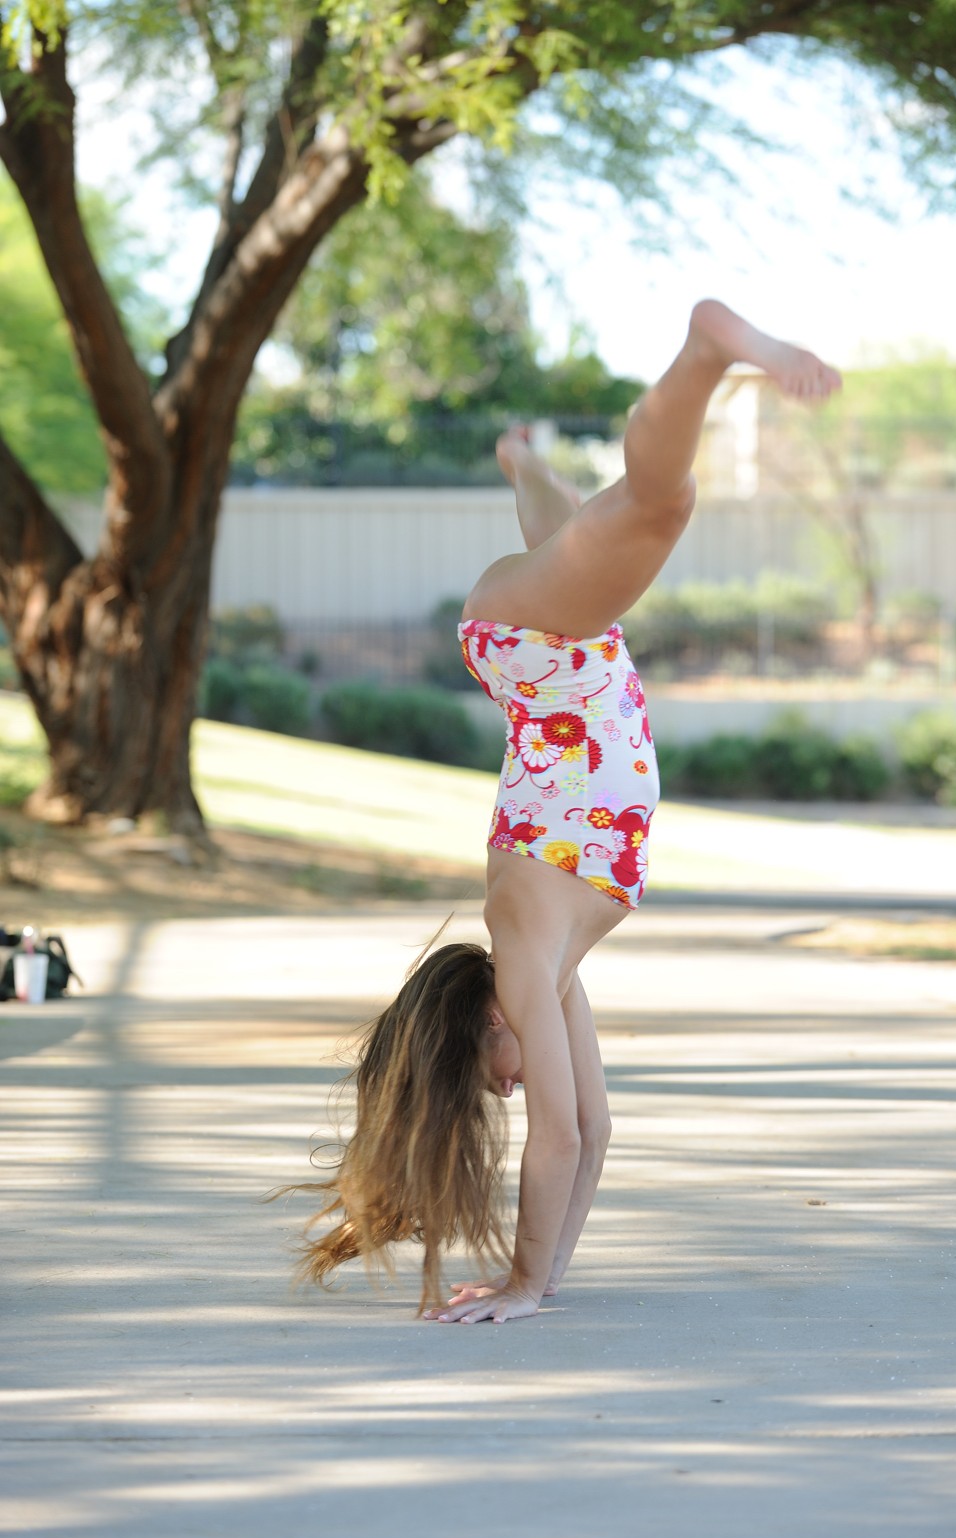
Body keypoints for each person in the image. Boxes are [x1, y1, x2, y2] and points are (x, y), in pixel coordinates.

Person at [283, 300, 841, 1323]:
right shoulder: (548, 970)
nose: (507, 1088)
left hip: (536, 653)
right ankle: (527, 470)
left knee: (654, 508)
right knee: (587, 528)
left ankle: (711, 346)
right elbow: (591, 1126)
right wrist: (548, 1278)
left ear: (484, 1026)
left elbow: (553, 1136)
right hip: (557, 666)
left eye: (487, 1077)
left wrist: (523, 1281)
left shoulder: (519, 950)